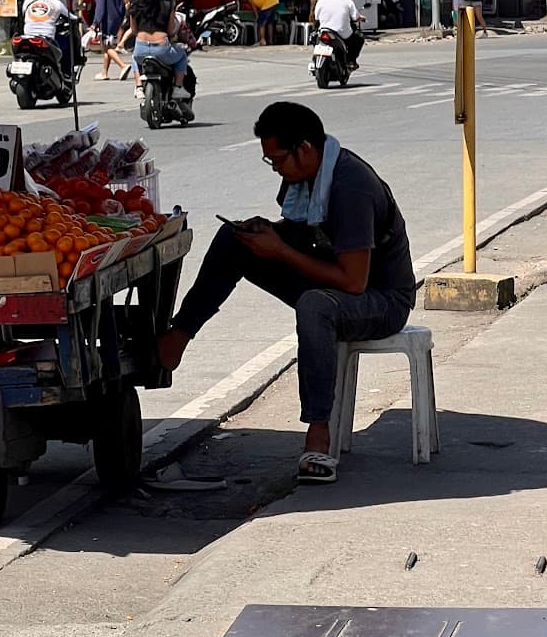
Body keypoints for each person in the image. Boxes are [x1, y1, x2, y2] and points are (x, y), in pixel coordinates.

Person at [157, 101, 415, 484]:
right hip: (336, 280)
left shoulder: (351, 187)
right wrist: (269, 233)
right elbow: (304, 232)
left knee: (315, 306)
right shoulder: (303, 176)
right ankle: (178, 336)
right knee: (233, 239)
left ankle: (319, 432)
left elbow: (354, 282)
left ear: (305, 149)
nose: (275, 168)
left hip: (380, 299)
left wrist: (279, 250)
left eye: (278, 159)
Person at [125, 0, 191, 111]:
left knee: (134, 57)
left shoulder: (135, 6)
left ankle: (138, 87)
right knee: (182, 55)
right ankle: (178, 87)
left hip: (141, 49)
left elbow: (134, 31)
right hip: (162, 50)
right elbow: (170, 30)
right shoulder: (168, 5)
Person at [313, 0, 365, 70]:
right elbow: (355, 17)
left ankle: (314, 60)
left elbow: (316, 17)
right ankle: (350, 60)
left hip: (324, 31)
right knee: (359, 38)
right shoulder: (347, 0)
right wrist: (360, 18)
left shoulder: (320, 1)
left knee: (314, 37)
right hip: (342, 34)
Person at [92, 0, 129, 80]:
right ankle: (104, 72)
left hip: (107, 22)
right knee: (109, 46)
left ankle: (123, 65)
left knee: (107, 47)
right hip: (117, 22)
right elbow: (123, 8)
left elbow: (100, 8)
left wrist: (95, 22)